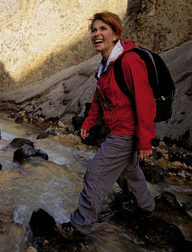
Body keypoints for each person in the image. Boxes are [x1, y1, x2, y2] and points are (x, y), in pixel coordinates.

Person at [59, 11, 156, 237]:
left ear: (116, 34)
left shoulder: (130, 61)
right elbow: (98, 99)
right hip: (118, 131)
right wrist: (88, 123)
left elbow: (145, 102)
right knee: (129, 173)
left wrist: (145, 141)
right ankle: (147, 207)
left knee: (95, 174)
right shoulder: (104, 66)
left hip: (126, 133)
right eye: (94, 30)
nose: (97, 34)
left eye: (103, 29)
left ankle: (79, 226)